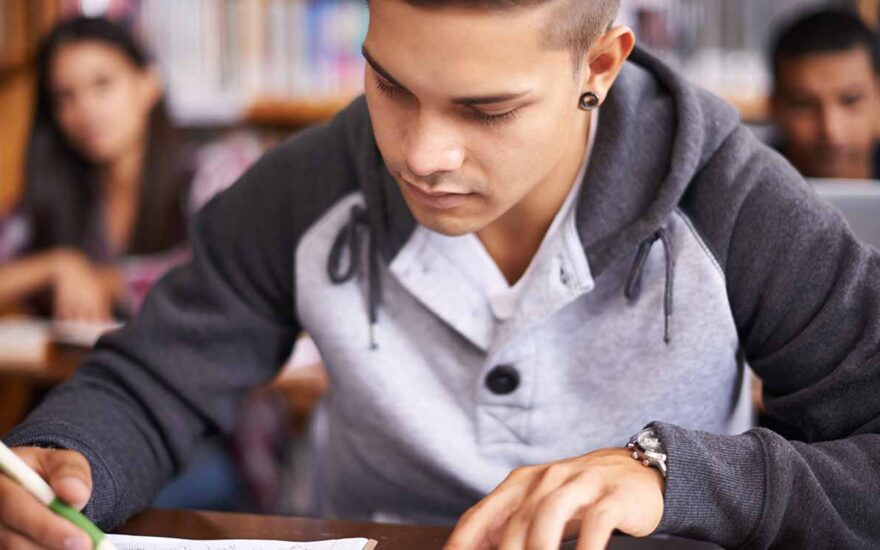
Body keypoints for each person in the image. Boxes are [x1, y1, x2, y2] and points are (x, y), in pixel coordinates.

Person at [1, 1, 879, 549]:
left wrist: (680, 477)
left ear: (598, 68)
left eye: (485, 109)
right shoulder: (308, 183)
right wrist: (73, 456)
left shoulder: (732, 196)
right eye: (389, 85)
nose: (419, 154)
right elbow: (152, 379)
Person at [0, 16, 260, 321]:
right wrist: (55, 265)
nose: (85, 109)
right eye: (65, 96)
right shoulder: (61, 192)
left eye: (102, 84)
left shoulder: (215, 170)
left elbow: (227, 275)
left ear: (148, 84)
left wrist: (109, 282)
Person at [770, 9, 880, 180]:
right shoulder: (738, 189)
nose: (831, 132)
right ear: (774, 106)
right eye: (804, 105)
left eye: (851, 100)